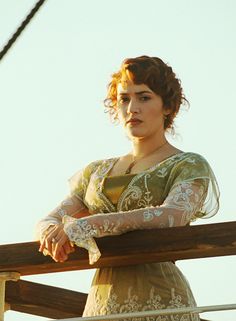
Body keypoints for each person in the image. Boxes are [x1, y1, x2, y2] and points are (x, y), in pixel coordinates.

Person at [36, 55, 220, 321]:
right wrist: (52, 235)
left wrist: (86, 225)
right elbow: (48, 220)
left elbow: (173, 215)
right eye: (124, 99)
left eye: (144, 97)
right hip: (102, 304)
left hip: (162, 300)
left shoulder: (188, 164)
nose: (132, 108)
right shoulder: (95, 172)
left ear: (168, 106)